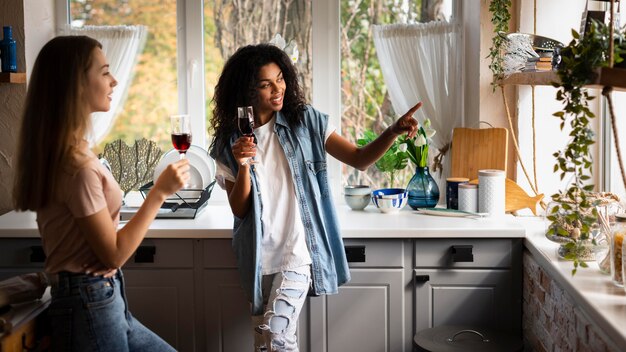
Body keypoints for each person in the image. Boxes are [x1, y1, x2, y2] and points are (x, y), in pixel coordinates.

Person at [209, 43, 422, 351]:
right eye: (265, 84)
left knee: (276, 335)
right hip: (257, 256)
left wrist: (392, 131)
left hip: (297, 254)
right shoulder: (229, 141)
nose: (278, 89)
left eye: (280, 78)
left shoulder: (306, 121)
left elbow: (360, 159)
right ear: (246, 91)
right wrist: (242, 164)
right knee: (266, 344)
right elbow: (240, 209)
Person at [12, 36, 189, 352]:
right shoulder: (77, 167)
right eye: (104, 71)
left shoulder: (73, 152)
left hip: (104, 296)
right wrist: (159, 193)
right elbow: (113, 254)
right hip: (88, 299)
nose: (115, 79)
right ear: (76, 83)